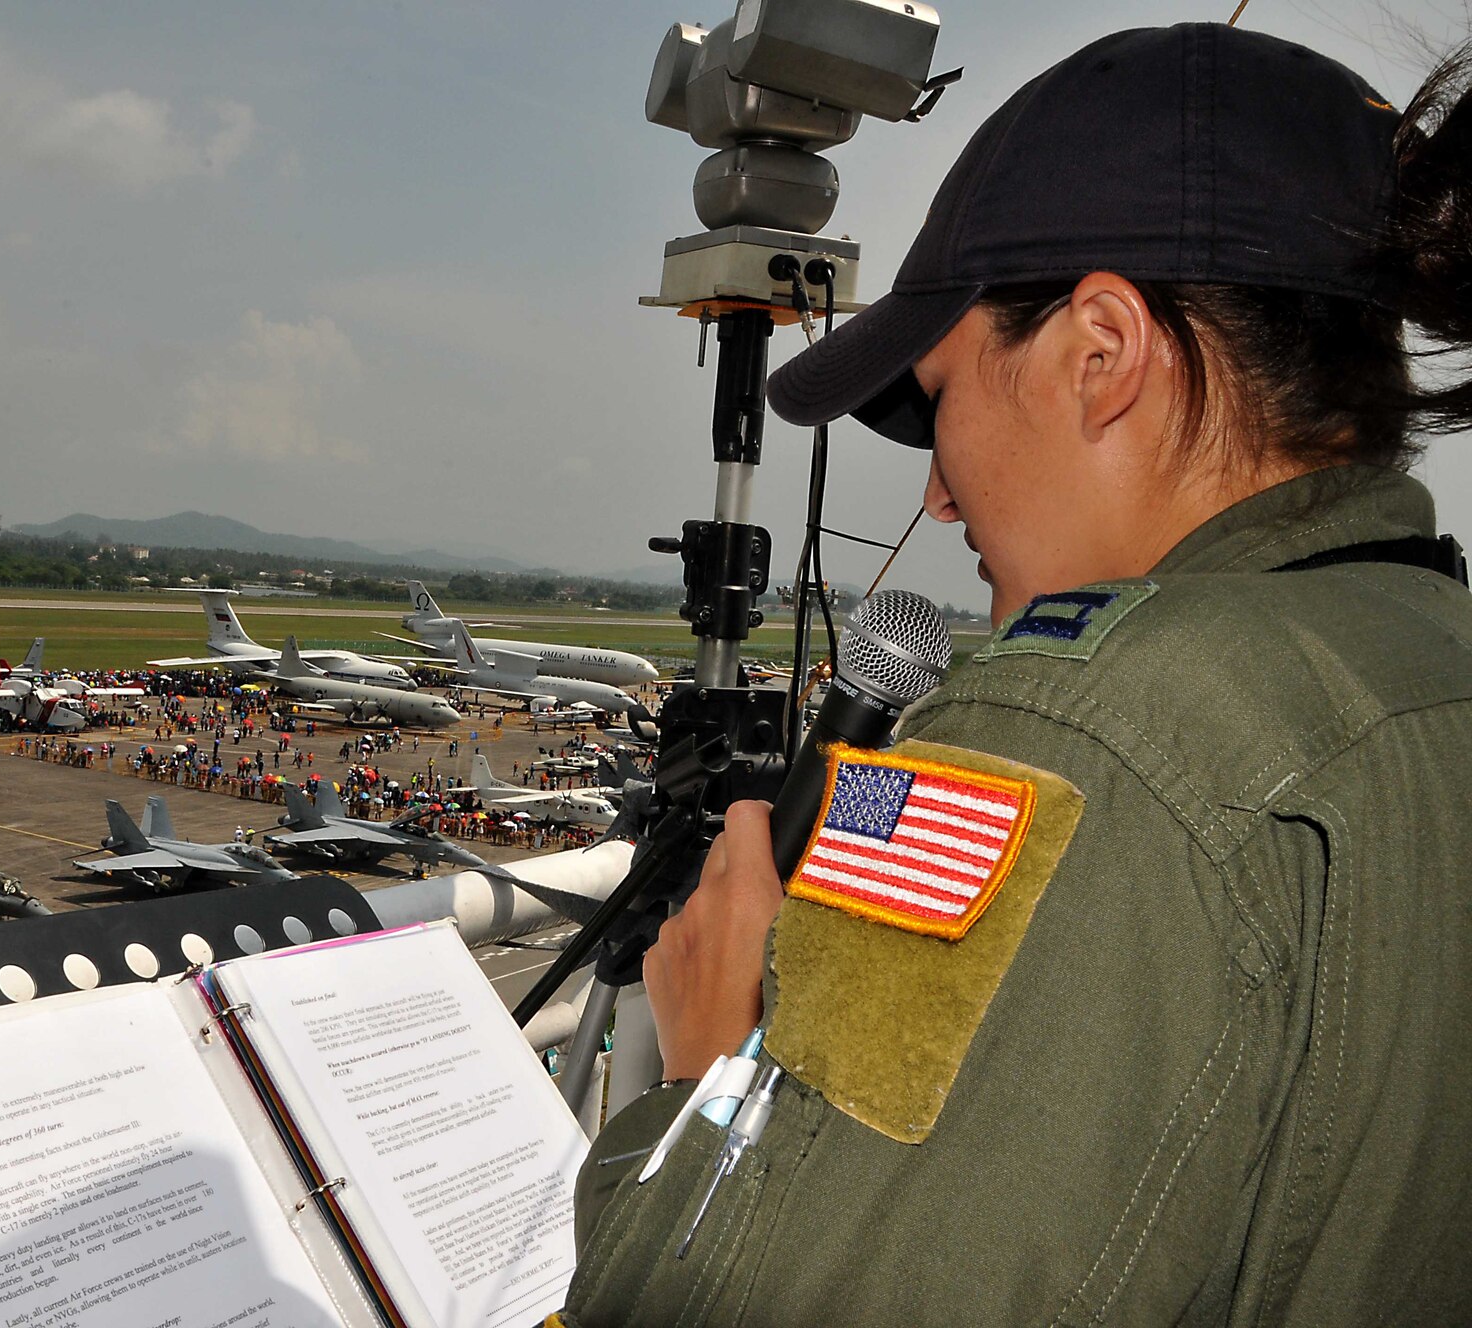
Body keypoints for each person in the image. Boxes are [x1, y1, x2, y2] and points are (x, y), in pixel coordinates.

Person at [565, 24, 1472, 1326]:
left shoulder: (1045, 746)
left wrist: (713, 1084)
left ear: (1101, 351)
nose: (936, 497)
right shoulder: (1425, 658)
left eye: (941, 406)